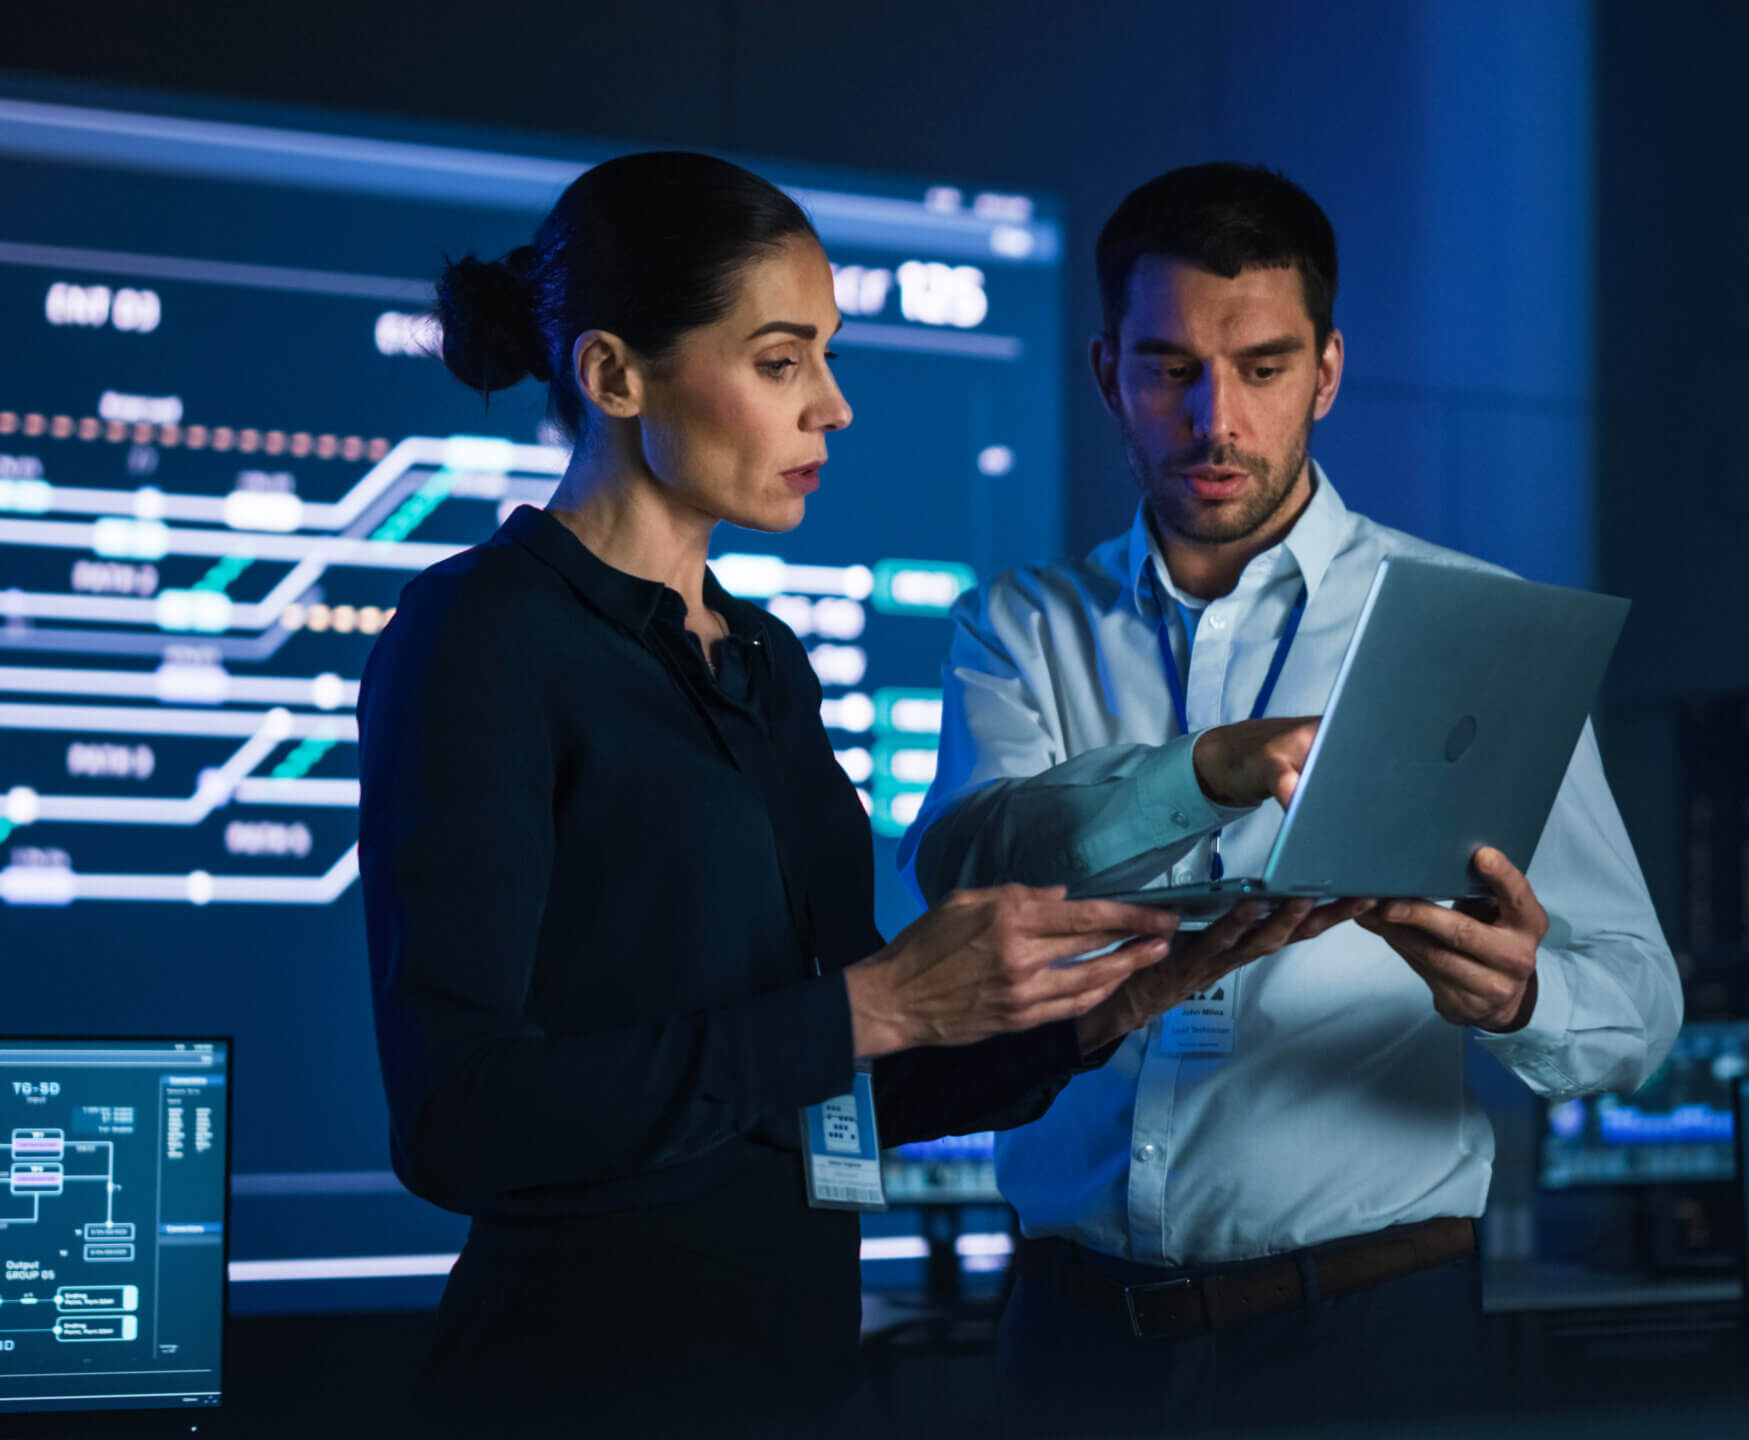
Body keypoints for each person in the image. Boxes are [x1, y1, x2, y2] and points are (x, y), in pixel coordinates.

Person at [357, 151, 1182, 1434]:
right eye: (782, 360)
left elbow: (832, 1079)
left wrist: (1098, 1006)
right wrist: (869, 1003)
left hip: (791, 1379)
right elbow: (462, 1121)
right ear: (614, 375)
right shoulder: (479, 636)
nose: (834, 408)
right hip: (575, 1391)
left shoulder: (760, 658)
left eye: (827, 358)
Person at [898, 162, 1682, 1430]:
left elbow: (1640, 1006)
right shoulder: (1019, 626)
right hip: (1071, 1339)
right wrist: (1203, 774)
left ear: (1324, 371)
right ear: (1108, 373)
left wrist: (1528, 993)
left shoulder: (1472, 630)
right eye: (1169, 370)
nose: (1215, 418)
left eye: (1261, 369)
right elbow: (969, 866)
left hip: (1369, 1336)